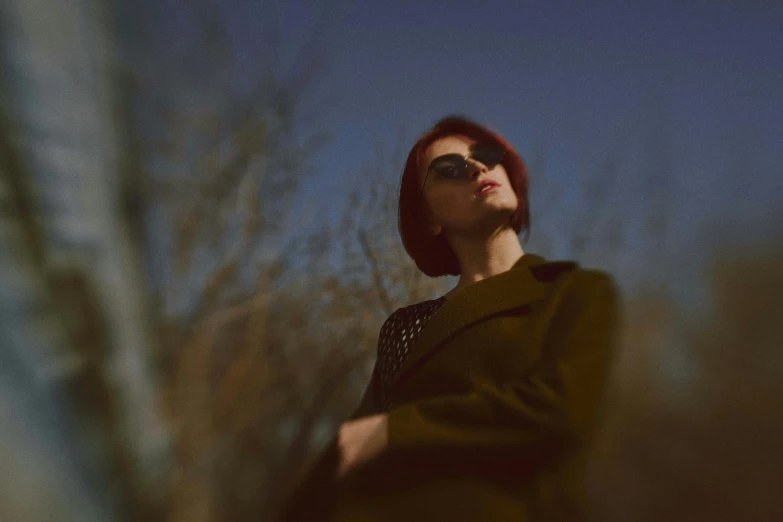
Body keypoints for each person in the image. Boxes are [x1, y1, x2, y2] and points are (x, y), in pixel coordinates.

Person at [279, 115, 622, 522]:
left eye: (487, 155)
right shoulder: (407, 328)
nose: (478, 167)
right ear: (429, 218)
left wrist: (399, 430)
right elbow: (349, 450)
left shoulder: (576, 292)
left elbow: (561, 412)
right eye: (450, 169)